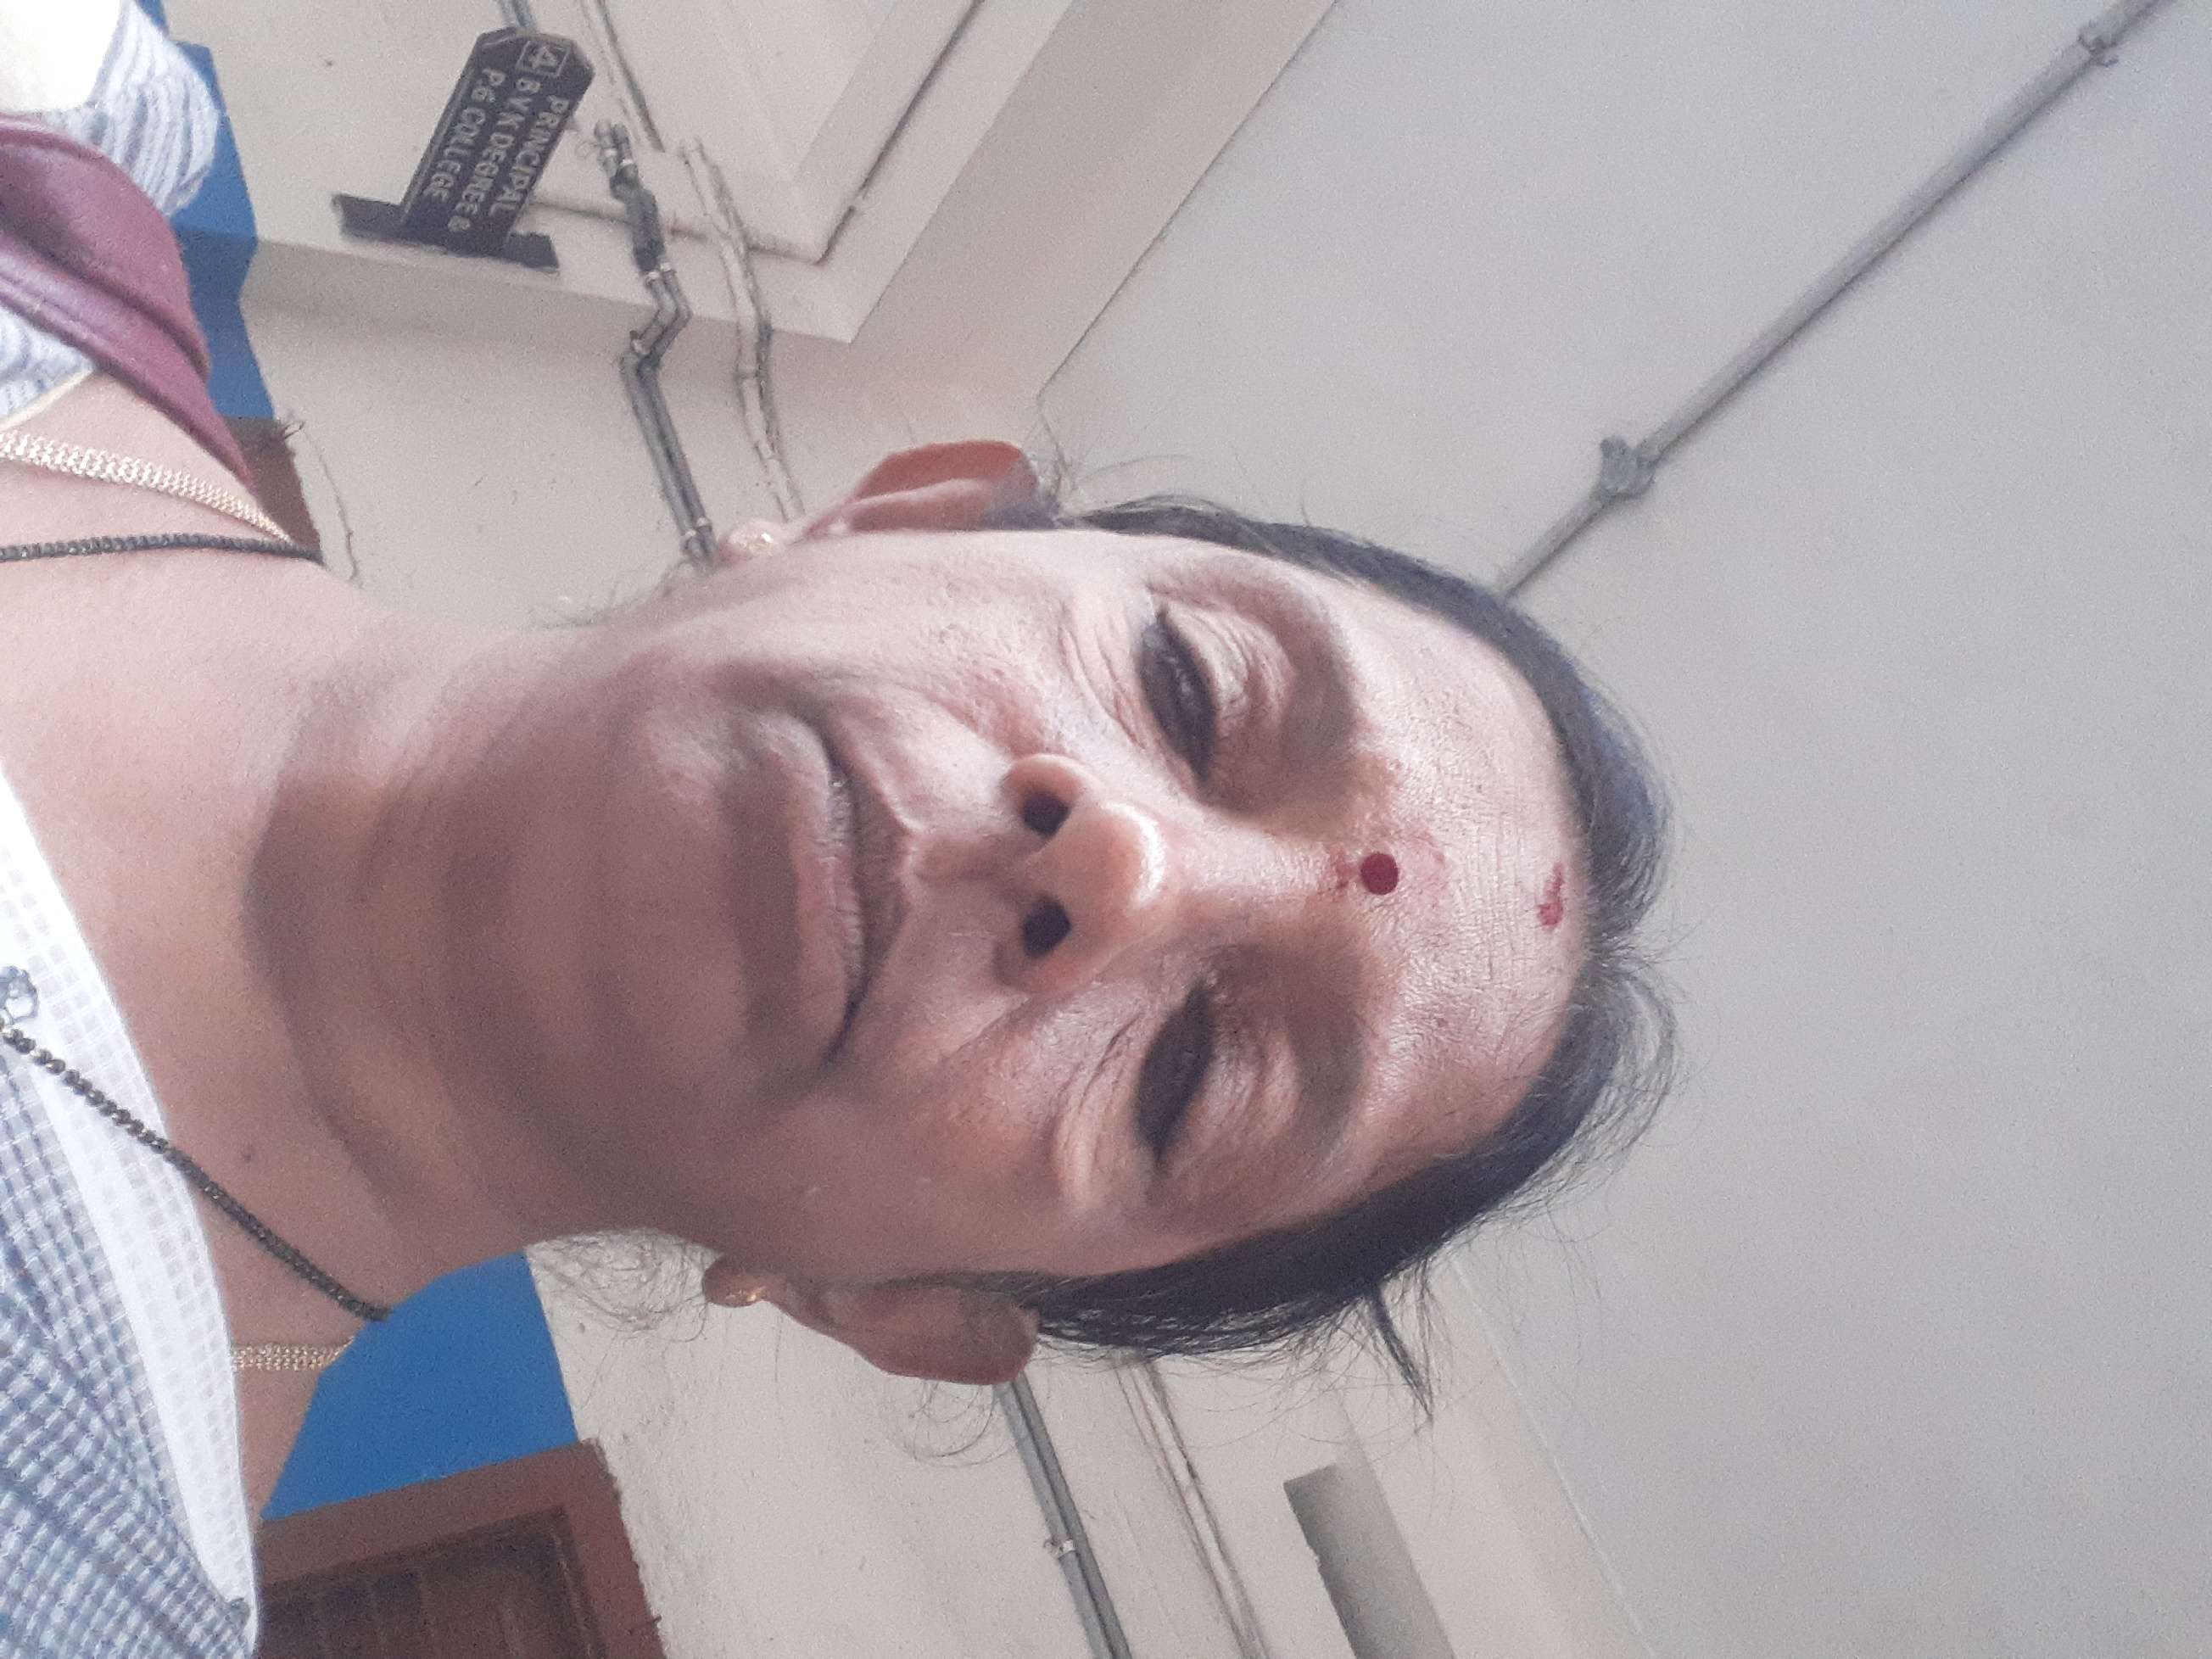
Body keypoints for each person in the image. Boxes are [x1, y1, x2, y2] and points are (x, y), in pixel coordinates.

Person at [0, 5, 1668, 1655]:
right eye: (1186, 686)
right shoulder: (57, 112)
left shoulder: (72, 1579)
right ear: (895, 513)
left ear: (911, 1309)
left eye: (1188, 1078)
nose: (1120, 868)